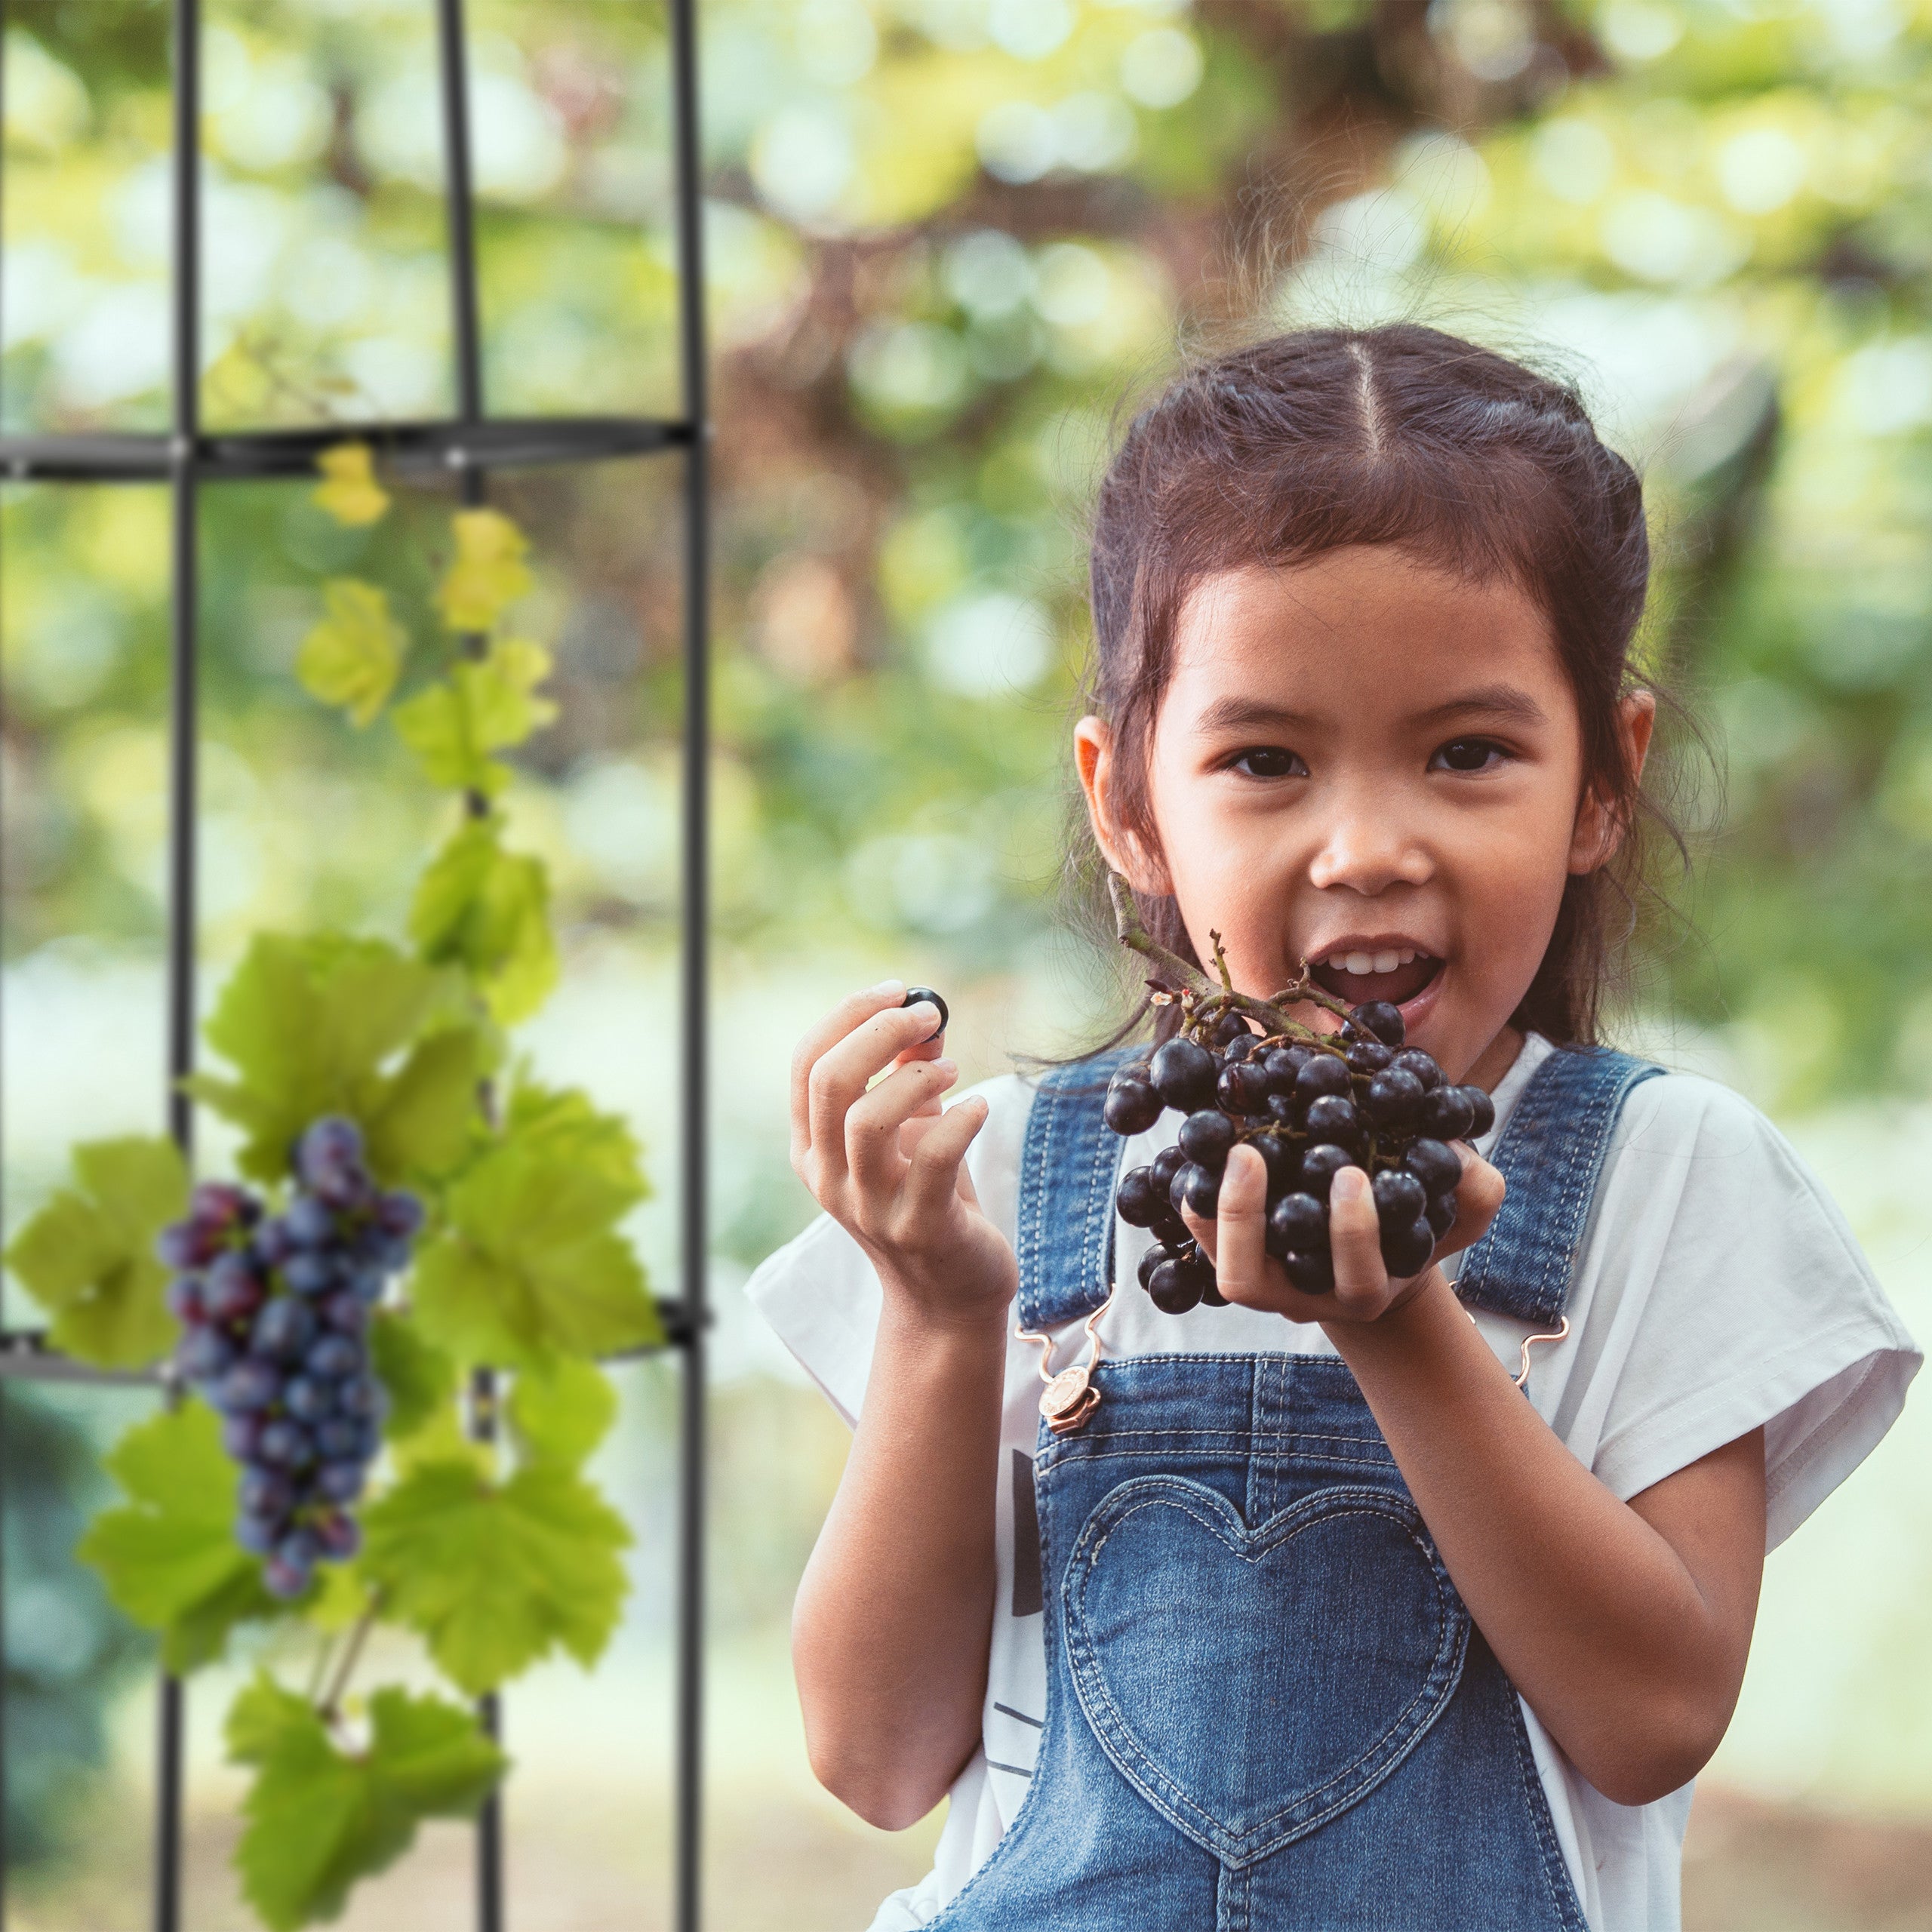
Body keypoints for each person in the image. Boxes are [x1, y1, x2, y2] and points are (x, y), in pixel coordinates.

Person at [747, 325, 1920, 1931]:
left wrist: (1400, 1328)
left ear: (1601, 778)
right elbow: (877, 1755)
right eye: (1263, 759)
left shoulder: (1669, 1180)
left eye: (1464, 751)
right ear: (1126, 801)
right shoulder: (1009, 1182)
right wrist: (945, 1314)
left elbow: (1650, 1719)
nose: (1365, 843)